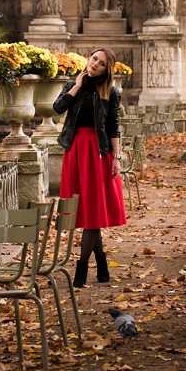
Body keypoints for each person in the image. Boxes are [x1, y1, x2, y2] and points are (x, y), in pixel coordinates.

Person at [53, 46, 127, 287]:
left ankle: (81, 268)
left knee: (93, 211)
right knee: (85, 210)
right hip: (75, 151)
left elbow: (113, 126)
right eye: (94, 58)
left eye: (102, 63)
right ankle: (102, 264)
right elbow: (57, 108)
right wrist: (76, 86)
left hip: (97, 153)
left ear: (107, 70)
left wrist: (116, 158)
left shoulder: (110, 92)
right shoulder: (72, 85)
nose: (95, 64)